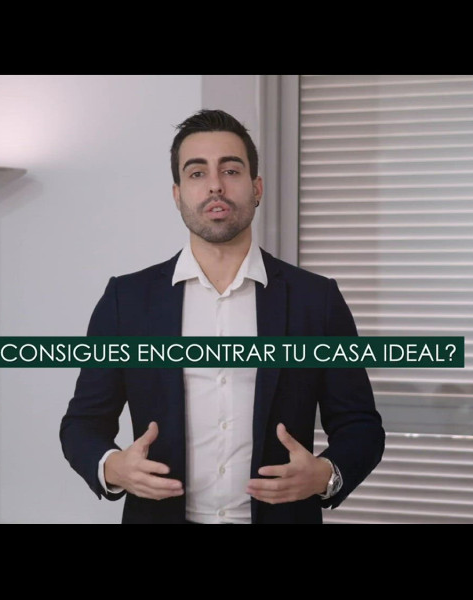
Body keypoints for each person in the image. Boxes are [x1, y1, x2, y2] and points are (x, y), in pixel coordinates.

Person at [59, 109, 384, 524]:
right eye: (197, 173)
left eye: (230, 170)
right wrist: (112, 467)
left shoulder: (316, 300)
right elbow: (83, 423)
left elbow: (360, 425)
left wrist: (326, 475)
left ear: (256, 188)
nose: (215, 185)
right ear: (177, 194)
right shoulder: (127, 300)